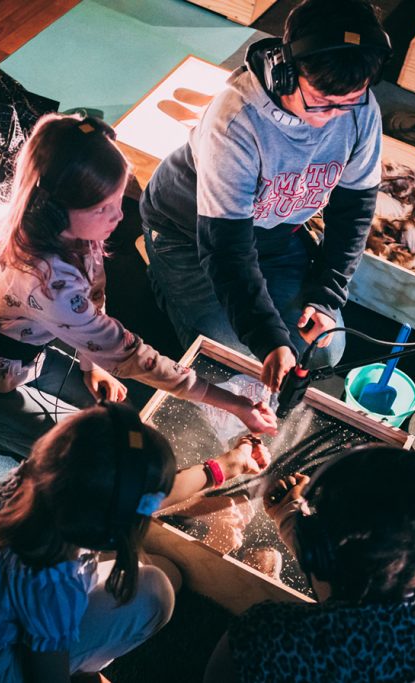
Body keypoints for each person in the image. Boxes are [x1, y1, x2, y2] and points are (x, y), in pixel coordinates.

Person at [0, 112, 277, 458]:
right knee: (89, 457)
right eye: (102, 209)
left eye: (118, 201)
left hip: (19, 354)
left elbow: (92, 300)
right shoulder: (46, 282)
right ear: (54, 210)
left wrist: (93, 364)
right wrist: (234, 403)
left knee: (115, 418)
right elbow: (128, 353)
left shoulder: (67, 233)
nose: (119, 217)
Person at [139, 0, 391, 392]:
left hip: (273, 235)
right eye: (320, 102)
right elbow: (226, 250)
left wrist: (327, 295)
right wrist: (267, 337)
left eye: (351, 101)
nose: (336, 116)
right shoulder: (237, 118)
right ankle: (164, 278)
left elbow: (354, 212)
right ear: (286, 74)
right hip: (191, 235)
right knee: (232, 362)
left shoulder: (358, 109)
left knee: (323, 349)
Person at [0, 402, 272, 683]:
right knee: (157, 594)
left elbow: (146, 498)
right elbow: (46, 676)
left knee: (165, 572)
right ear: (113, 525)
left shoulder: (43, 477)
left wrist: (225, 466)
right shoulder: (51, 579)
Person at [204, 446, 415, 683]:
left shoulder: (264, 637)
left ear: (320, 551)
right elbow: (363, 580)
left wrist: (298, 524)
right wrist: (291, 519)